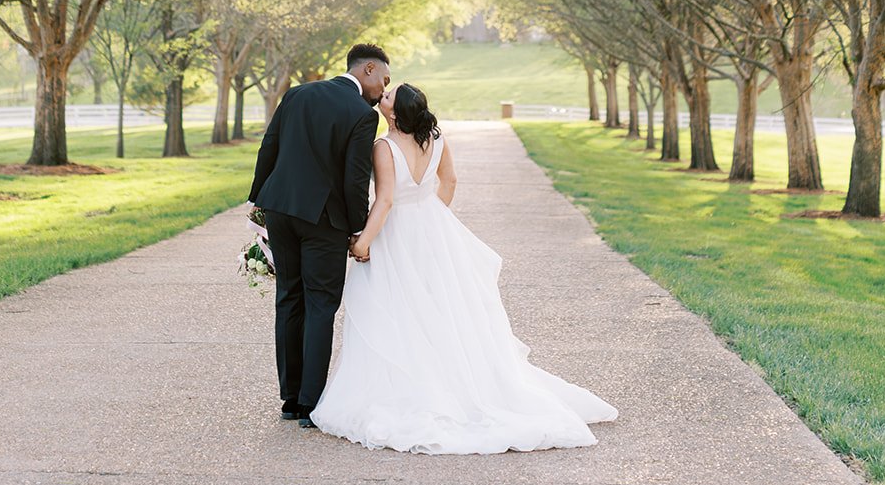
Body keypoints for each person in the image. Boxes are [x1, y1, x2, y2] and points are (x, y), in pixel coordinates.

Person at [311, 82, 619, 454]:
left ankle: (415, 387)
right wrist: (432, 218)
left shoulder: (384, 146)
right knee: (442, 309)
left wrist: (362, 243)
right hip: (435, 231)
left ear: (393, 114)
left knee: (398, 310)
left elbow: (387, 200)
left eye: (389, 97)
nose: (383, 96)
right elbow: (449, 181)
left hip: (397, 236)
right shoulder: (436, 138)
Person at [248, 41, 390, 427]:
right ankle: (311, 403)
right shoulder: (361, 114)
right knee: (321, 304)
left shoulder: (297, 94)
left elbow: (270, 146)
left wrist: (257, 201)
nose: (384, 90)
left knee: (288, 298)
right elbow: (355, 178)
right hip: (323, 220)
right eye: (384, 79)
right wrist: (358, 230)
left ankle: (290, 398)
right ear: (369, 70)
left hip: (280, 208)